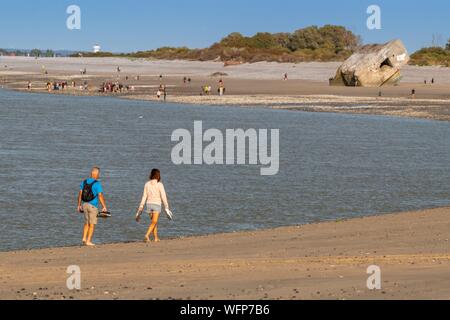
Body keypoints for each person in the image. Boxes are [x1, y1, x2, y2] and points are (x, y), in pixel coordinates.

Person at [136, 169, 170, 243]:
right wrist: (166, 207)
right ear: (158, 175)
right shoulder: (160, 184)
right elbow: (163, 196)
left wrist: (141, 207)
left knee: (153, 222)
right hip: (156, 204)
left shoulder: (147, 184)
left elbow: (144, 196)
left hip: (149, 205)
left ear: (151, 174)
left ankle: (156, 238)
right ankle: (146, 235)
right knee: (154, 221)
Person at [77, 167, 108, 246]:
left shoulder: (84, 182)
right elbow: (100, 195)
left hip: (84, 205)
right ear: (96, 174)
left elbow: (80, 194)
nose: (99, 175)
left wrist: (78, 205)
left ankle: (84, 238)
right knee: (92, 224)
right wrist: (104, 206)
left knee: (86, 222)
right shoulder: (97, 183)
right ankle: (88, 241)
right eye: (98, 174)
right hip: (93, 206)